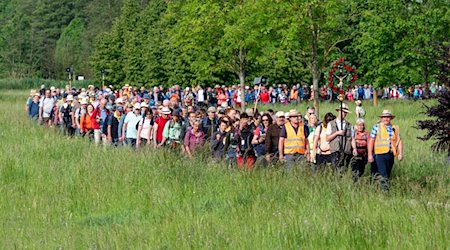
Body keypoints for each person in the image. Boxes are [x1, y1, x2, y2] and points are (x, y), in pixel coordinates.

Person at [368, 110, 403, 192]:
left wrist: (400, 153)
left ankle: (378, 189)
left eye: (388, 117)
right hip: (380, 154)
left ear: (390, 118)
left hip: (391, 154)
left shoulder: (395, 128)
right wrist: (370, 154)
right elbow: (371, 141)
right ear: (382, 118)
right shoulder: (377, 127)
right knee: (384, 174)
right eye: (384, 117)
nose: (386, 119)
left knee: (387, 173)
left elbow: (399, 141)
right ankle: (385, 191)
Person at [326, 103, 353, 171]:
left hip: (346, 152)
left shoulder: (349, 125)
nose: (344, 113)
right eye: (342, 111)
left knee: (345, 170)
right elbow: (327, 138)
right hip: (335, 151)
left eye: (345, 112)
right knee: (335, 171)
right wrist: (337, 133)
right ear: (338, 111)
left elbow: (352, 139)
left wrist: (354, 149)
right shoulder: (331, 124)